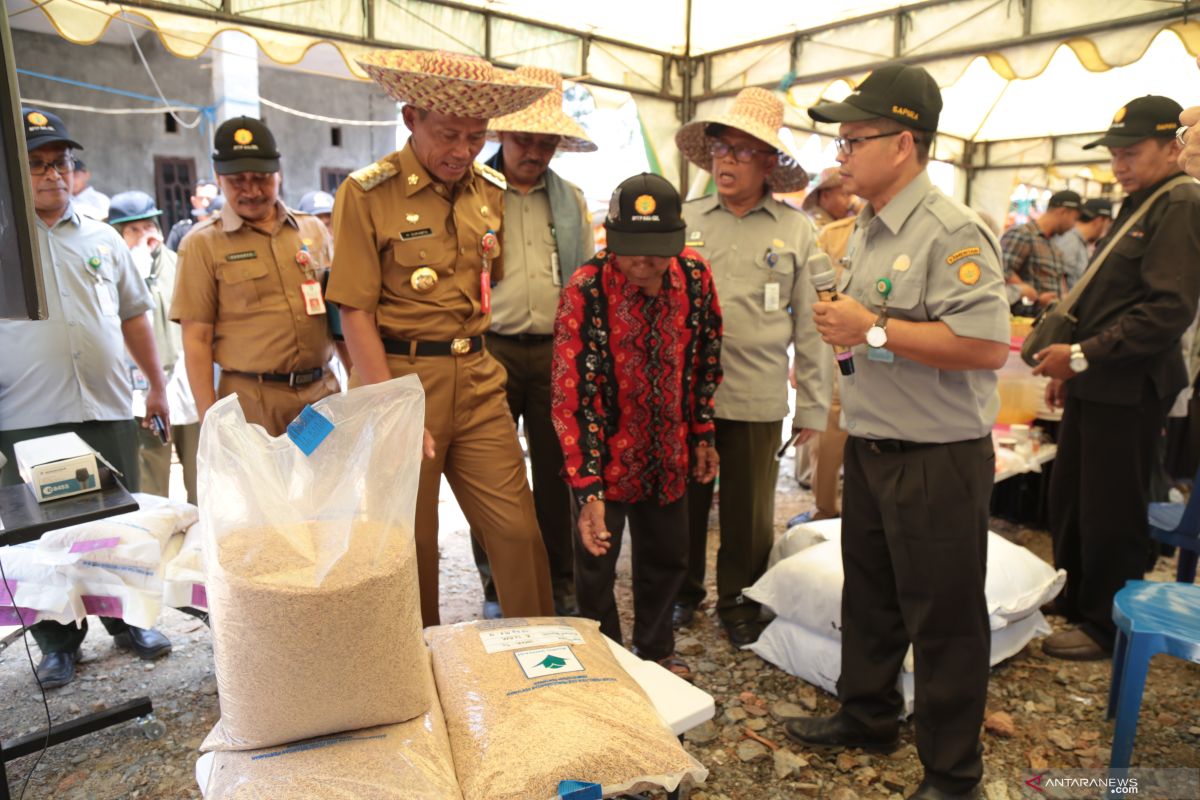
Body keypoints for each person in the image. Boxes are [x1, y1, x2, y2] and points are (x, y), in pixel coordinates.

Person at [785, 66, 1010, 800]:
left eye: (854, 139)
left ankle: (953, 776)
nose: (841, 154)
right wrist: (846, 336)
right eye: (840, 140)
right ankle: (868, 713)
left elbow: (983, 347)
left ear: (904, 143)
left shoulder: (952, 230)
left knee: (943, 621)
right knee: (872, 597)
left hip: (937, 458)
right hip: (878, 447)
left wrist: (871, 327)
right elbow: (871, 339)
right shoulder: (867, 231)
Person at [327, 50, 556, 626]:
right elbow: (354, 309)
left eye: (476, 137)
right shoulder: (367, 194)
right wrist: (386, 406)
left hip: (478, 378)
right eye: (448, 134)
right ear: (411, 118)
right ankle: (416, 676)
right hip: (399, 379)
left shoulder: (490, 189)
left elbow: (483, 286)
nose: (461, 151)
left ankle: (539, 661)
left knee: (516, 531)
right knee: (409, 543)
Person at [0, 108, 173, 688]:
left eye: (61, 163)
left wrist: (156, 386)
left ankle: (130, 623)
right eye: (37, 165)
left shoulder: (102, 237)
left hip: (103, 408)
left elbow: (133, 317)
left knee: (118, 525)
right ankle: (57, 642)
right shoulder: (3, 240)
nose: (53, 175)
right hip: (26, 416)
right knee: (40, 539)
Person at [1034, 95, 1200, 661]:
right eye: (1114, 152)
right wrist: (1075, 368)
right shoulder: (1140, 201)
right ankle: (1077, 595)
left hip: (1129, 386)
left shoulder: (1178, 201)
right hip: (1096, 379)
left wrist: (1080, 356)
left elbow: (1166, 311)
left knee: (1112, 507)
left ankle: (1107, 622)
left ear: (1172, 147)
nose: (1119, 163)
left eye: (1132, 151)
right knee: (1072, 495)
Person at [671, 87, 830, 646]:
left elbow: (813, 327)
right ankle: (681, 591)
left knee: (749, 507)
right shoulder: (684, 220)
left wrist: (813, 404)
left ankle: (740, 597)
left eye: (741, 152)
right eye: (720, 149)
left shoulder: (795, 230)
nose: (727, 161)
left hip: (758, 392)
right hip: (683, 396)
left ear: (769, 162)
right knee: (683, 500)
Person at [553, 172, 722, 679]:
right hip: (604, 458)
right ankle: (605, 660)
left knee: (668, 556)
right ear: (611, 238)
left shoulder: (694, 276)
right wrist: (587, 487)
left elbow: (704, 357)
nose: (644, 263)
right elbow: (570, 396)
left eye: (656, 250)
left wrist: (702, 431)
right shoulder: (585, 289)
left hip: (666, 451)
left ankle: (656, 651)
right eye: (632, 250)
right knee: (596, 565)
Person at [466, 65, 597, 619]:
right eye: (525, 139)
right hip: (486, 348)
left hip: (553, 351)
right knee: (489, 476)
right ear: (502, 137)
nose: (535, 152)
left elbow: (586, 281)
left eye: (546, 142)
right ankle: (497, 583)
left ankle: (560, 580)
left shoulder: (570, 201)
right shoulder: (471, 191)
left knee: (557, 471)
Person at [171, 117, 342, 436]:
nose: (251, 190)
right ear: (218, 179)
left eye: (262, 178)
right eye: (238, 180)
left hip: (319, 397)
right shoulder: (202, 244)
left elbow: (338, 316)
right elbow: (197, 339)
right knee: (264, 487)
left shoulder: (313, 230)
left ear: (279, 174)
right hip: (252, 403)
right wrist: (212, 421)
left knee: (325, 484)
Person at [108, 191, 199, 503]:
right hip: (140, 388)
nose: (144, 235)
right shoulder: (116, 269)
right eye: (133, 229)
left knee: (199, 474)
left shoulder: (179, 263)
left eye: (148, 226)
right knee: (151, 477)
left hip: (185, 381)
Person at [1000, 189, 1081, 310]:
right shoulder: (1023, 234)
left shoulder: (1051, 243)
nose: (1074, 225)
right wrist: (1035, 297)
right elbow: (1002, 269)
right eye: (1074, 218)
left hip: (1044, 319)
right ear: (1063, 212)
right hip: (1024, 318)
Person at [1051, 198, 1113, 290]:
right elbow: (1058, 277)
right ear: (1099, 220)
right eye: (1108, 223)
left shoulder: (1080, 241)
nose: (1107, 228)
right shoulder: (1070, 240)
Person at [165, 180, 222, 252]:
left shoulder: (228, 228)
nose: (205, 204)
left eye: (209, 199)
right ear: (193, 201)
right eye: (200, 199)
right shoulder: (181, 231)